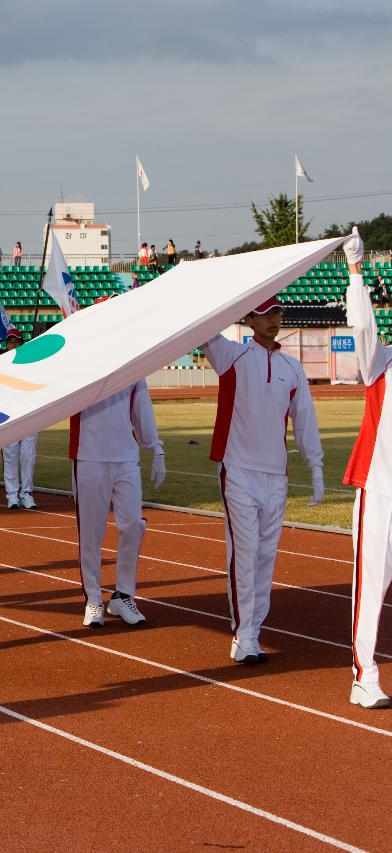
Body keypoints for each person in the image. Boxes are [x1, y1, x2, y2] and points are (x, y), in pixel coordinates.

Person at [201, 295, 323, 664]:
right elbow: (204, 328)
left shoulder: (292, 367)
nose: (273, 319)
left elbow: (305, 419)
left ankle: (254, 628)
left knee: (266, 556)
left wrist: (315, 467)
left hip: (276, 475)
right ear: (250, 319)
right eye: (265, 313)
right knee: (245, 552)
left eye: (278, 312)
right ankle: (244, 634)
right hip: (238, 470)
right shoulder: (231, 356)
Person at [339, 228, 392, 708]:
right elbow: (363, 330)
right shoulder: (381, 363)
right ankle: (364, 675)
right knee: (372, 584)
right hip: (380, 491)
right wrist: (356, 271)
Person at [71, 367, 165, 627]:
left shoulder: (133, 366)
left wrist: (155, 449)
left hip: (126, 457)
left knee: (133, 524)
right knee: (91, 533)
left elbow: (142, 410)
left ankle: (123, 595)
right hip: (89, 456)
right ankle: (93, 598)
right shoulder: (78, 364)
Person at [2, 328, 38, 509]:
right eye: (10, 341)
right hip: (8, 417)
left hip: (28, 415)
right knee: (10, 457)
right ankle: (12, 494)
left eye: (16, 341)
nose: (13, 344)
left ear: (22, 343)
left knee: (28, 457)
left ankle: (27, 493)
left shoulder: (32, 364)